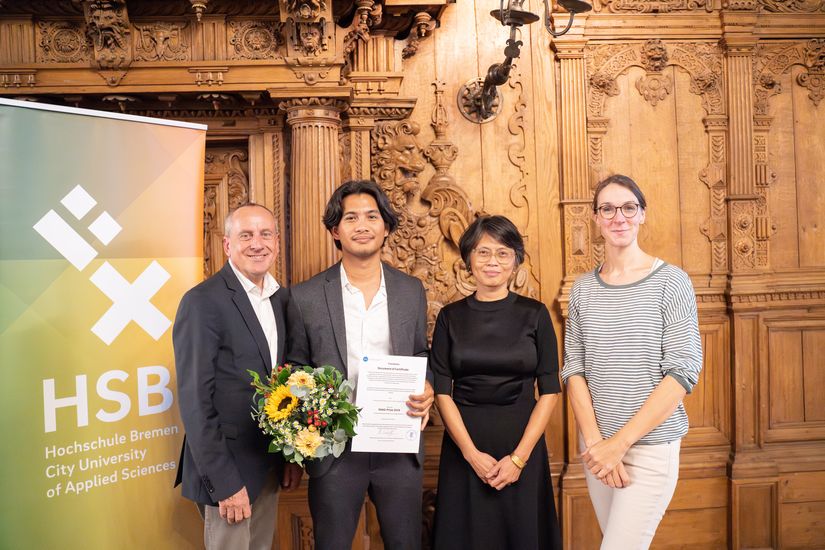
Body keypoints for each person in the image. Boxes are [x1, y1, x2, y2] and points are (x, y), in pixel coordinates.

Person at [285, 179, 434, 550]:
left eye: (372, 216)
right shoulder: (304, 297)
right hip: (335, 451)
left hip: (398, 442)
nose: (362, 225)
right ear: (336, 230)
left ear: (386, 227)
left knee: (405, 544)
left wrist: (427, 385)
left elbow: (420, 352)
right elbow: (295, 366)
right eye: (350, 217)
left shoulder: (409, 290)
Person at [561, 174, 702, 549]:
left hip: (649, 449)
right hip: (598, 450)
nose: (618, 217)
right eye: (607, 208)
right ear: (596, 218)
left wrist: (619, 445)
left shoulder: (672, 282)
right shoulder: (583, 289)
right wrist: (596, 445)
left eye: (628, 207)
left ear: (642, 215)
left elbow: (682, 371)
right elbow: (573, 370)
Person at [173, 203, 302, 550]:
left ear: (276, 241)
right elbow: (195, 401)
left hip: (268, 466)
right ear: (228, 245)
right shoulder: (203, 302)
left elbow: (282, 383)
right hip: (227, 472)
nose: (257, 243)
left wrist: (288, 458)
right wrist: (225, 482)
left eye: (265, 234)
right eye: (246, 235)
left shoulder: (280, 299)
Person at [431, 215, 563, 550]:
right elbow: (442, 391)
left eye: (503, 253)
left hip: (522, 443)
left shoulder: (535, 314)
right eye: (483, 252)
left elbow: (549, 390)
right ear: (468, 260)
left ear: (516, 260)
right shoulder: (450, 317)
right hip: (465, 445)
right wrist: (471, 453)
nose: (493, 261)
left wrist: (519, 458)